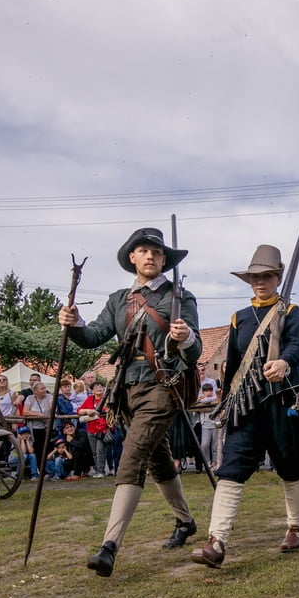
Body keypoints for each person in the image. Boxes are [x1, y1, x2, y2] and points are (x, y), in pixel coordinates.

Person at [59, 227, 202, 577]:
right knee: (157, 458)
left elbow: (195, 351)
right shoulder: (118, 299)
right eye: (143, 250)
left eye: (157, 251)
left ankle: (109, 546)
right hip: (126, 390)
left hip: (163, 386)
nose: (150, 256)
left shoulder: (180, 297)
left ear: (164, 259)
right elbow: (93, 336)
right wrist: (73, 324)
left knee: (132, 456)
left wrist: (185, 337)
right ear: (132, 258)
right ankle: (185, 521)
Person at [191, 244, 299, 569]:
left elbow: (297, 344)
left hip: (282, 401)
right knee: (231, 467)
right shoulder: (239, 318)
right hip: (246, 405)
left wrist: (284, 362)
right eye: (255, 276)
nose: (260, 281)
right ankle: (216, 540)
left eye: (267, 276)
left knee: (291, 466)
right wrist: (227, 401)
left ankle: (295, 527)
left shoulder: (292, 312)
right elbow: (232, 363)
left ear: (278, 278)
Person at [77, 383, 111, 476]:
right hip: (91, 429)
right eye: (96, 387)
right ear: (92, 391)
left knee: (100, 451)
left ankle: (101, 471)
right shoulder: (90, 399)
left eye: (100, 386)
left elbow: (110, 410)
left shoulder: (106, 399)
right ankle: (97, 470)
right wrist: (87, 411)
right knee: (94, 452)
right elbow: (79, 410)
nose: (99, 388)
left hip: (102, 429)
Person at [22, 381, 54, 476]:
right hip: (34, 428)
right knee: (38, 449)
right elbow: (25, 412)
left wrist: (48, 414)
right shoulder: (30, 398)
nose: (45, 390)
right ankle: (40, 471)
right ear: (35, 391)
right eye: (42, 389)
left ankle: (50, 470)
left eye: (45, 388)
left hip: (47, 427)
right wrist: (38, 414)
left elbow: (53, 408)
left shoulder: (49, 396)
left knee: (48, 448)